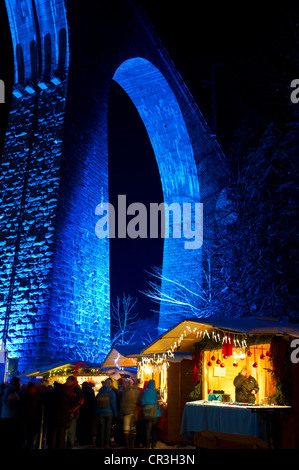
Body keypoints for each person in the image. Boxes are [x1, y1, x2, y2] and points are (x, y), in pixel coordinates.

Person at [95, 378, 117, 448]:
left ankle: (101, 444)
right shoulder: (111, 393)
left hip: (100, 412)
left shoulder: (100, 392)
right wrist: (115, 414)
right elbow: (113, 404)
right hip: (109, 412)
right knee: (107, 429)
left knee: (101, 429)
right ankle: (106, 444)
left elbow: (95, 403)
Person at [0, 376, 22, 449]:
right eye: (19, 383)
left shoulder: (7, 389)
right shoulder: (12, 390)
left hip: (5, 415)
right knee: (10, 436)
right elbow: (11, 403)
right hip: (10, 416)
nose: (20, 384)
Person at [64, 376, 84, 448]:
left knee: (70, 431)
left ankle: (70, 445)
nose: (67, 382)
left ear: (73, 382)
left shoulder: (77, 390)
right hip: (66, 413)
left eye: (68, 381)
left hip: (73, 414)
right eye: (67, 380)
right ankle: (66, 444)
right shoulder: (65, 389)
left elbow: (80, 401)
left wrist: (72, 410)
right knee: (66, 430)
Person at [140, 379, 161, 449]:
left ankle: (147, 445)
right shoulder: (157, 392)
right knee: (154, 430)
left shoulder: (145, 392)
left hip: (147, 412)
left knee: (147, 430)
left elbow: (142, 402)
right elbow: (159, 402)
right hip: (155, 413)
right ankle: (154, 445)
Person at [119, 378, 138, 448]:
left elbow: (122, 403)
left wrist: (121, 412)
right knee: (133, 428)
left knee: (126, 427)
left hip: (126, 411)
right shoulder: (135, 391)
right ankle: (132, 445)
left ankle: (127, 445)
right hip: (133, 411)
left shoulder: (123, 392)